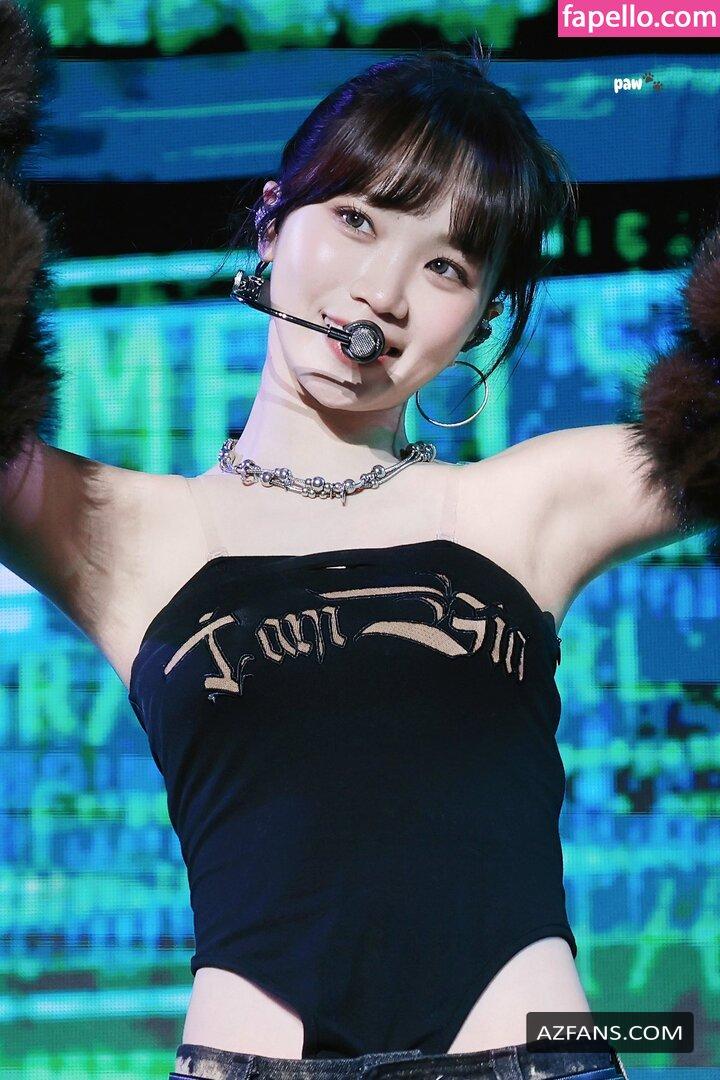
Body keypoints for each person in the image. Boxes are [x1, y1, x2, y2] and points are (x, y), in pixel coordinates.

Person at [2, 4, 719, 1078]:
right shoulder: (122, 527)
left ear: (482, 320)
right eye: (357, 219)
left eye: (448, 267)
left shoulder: (528, 506)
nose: (381, 293)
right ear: (270, 223)